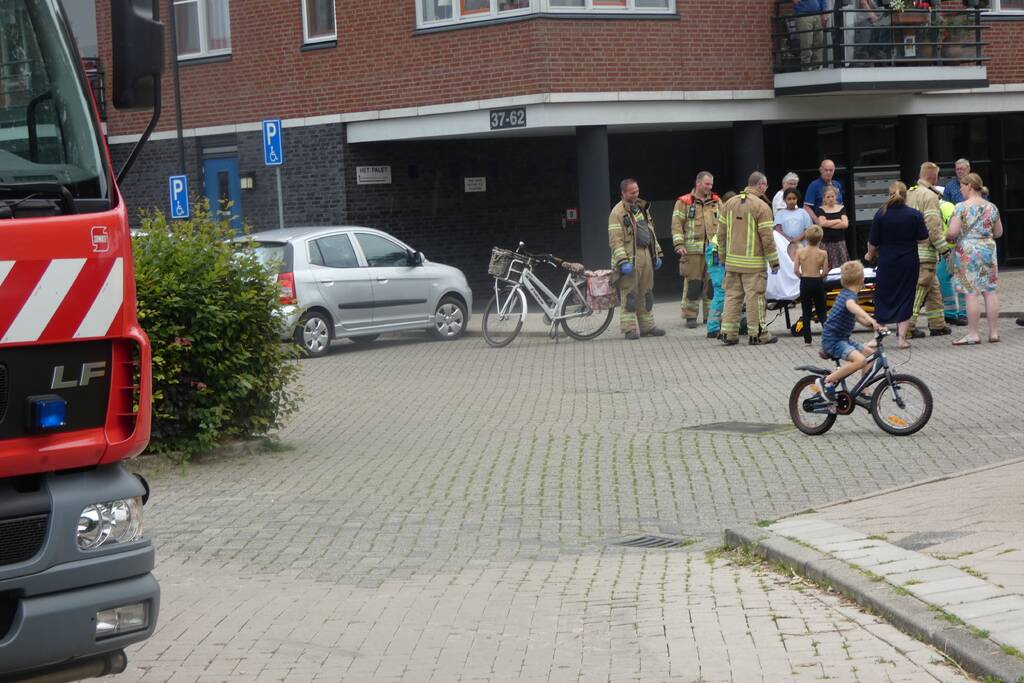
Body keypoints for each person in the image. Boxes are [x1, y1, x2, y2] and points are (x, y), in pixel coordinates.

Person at [717, 171, 780, 345]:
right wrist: (774, 262)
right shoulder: (761, 207)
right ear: (761, 185)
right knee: (755, 298)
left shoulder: (729, 203)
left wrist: (723, 258)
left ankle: (728, 333)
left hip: (732, 263)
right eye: (765, 186)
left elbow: (720, 235)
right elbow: (767, 238)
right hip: (753, 265)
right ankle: (758, 335)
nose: (765, 189)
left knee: (732, 297)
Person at [864, 181, 927, 349]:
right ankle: (901, 340)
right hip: (908, 262)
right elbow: (924, 240)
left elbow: (872, 242)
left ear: (889, 194)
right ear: (906, 196)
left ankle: (877, 337)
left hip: (886, 261)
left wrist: (870, 254)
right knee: (906, 297)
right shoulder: (914, 215)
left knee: (882, 297)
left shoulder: (881, 214)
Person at [816, 260, 886, 410]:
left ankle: (863, 392)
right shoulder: (849, 298)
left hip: (843, 339)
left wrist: (873, 325)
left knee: (870, 355)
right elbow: (852, 307)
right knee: (860, 361)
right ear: (862, 280)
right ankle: (826, 381)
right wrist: (871, 319)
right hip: (833, 341)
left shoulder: (848, 294)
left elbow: (857, 316)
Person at [947, 172, 1004, 345]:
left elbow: (953, 232)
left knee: (970, 292)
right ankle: (993, 332)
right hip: (988, 248)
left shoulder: (961, 207)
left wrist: (948, 235)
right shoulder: (992, 207)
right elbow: (999, 232)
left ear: (969, 186)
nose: (961, 190)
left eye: (962, 186)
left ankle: (973, 334)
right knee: (990, 291)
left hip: (968, 250)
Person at [608, 178, 665, 340]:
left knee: (646, 292)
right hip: (630, 258)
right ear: (623, 193)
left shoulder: (641, 209)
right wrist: (622, 261)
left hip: (645, 254)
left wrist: (657, 254)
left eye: (637, 191)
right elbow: (615, 240)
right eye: (632, 192)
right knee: (630, 295)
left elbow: (651, 233)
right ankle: (629, 329)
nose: (636, 194)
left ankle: (647, 327)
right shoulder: (617, 213)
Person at [905, 162, 953, 339]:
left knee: (933, 288)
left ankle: (937, 325)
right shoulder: (930, 197)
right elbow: (933, 228)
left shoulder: (910, 193)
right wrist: (945, 250)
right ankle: (908, 327)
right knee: (920, 289)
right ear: (934, 177)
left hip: (911, 250)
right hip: (925, 252)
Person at [671, 171, 722, 328]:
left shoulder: (716, 201)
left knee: (712, 284)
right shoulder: (684, 202)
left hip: (713, 250)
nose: (710, 187)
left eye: (711, 184)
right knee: (693, 284)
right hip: (692, 252)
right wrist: (679, 244)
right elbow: (676, 225)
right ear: (698, 183)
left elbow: (724, 223)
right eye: (707, 184)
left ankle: (710, 316)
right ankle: (690, 316)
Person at [793, 225, 830, 346]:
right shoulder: (823, 253)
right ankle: (829, 337)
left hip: (805, 281)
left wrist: (802, 277)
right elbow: (825, 271)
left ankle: (807, 340)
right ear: (820, 239)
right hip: (817, 282)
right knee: (822, 311)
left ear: (807, 238)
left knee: (806, 311)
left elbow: (796, 270)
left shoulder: (800, 252)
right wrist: (820, 277)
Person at [813, 185, 850, 268]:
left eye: (832, 196)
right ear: (824, 198)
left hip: (839, 243)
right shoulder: (821, 209)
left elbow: (845, 224)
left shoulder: (841, 208)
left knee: (841, 267)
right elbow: (822, 223)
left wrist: (828, 223)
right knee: (827, 266)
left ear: (836, 197)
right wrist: (837, 221)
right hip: (826, 243)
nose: (830, 199)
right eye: (828, 197)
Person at [775, 188, 813, 260]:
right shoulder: (780, 213)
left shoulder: (803, 212)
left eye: (794, 198)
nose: (792, 201)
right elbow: (778, 230)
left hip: (802, 245)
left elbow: (807, 229)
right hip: (785, 245)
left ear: (797, 199)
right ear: (784, 200)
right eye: (789, 199)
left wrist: (796, 240)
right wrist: (789, 240)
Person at [793, 0, 826, 70]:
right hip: (803, 13)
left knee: (819, 42)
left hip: (818, 14)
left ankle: (817, 67)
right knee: (806, 42)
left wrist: (824, 13)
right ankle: (806, 68)